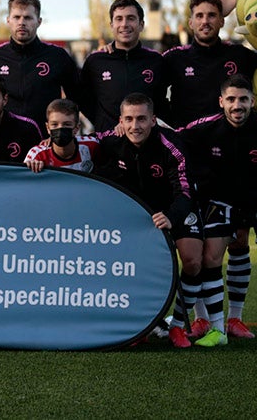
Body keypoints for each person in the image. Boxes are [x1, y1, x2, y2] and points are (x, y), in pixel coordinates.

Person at [159, 0, 257, 339]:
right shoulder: (173, 59)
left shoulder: (241, 57)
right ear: (190, 22)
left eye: (212, 15)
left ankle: (234, 317)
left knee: (237, 239)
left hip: (233, 160)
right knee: (202, 244)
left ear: (222, 21)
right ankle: (204, 317)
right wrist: (177, 129)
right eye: (199, 16)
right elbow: (155, 98)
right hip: (191, 161)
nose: (205, 21)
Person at [178, 74, 257, 348]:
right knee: (211, 256)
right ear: (221, 101)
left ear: (252, 101)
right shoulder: (203, 128)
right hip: (221, 201)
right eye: (230, 99)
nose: (236, 105)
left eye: (242, 99)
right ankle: (218, 329)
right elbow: (170, 139)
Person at [94, 92, 201, 349]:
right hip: (140, 215)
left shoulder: (171, 145)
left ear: (154, 120)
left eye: (141, 119)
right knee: (133, 265)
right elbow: (79, 146)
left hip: (175, 209)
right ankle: (140, 326)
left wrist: (172, 217)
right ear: (120, 120)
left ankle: (177, 326)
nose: (135, 126)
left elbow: (186, 191)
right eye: (129, 119)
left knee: (192, 260)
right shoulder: (110, 141)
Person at [0, 0, 81, 126]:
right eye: (16, 17)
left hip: (44, 141)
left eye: (28, 18)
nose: (21, 22)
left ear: (39, 21)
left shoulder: (58, 56)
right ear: (8, 20)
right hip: (2, 140)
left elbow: (78, 98)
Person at [79, 0, 167, 133]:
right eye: (119, 19)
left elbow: (161, 102)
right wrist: (101, 122)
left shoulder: (156, 61)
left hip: (148, 144)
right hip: (107, 144)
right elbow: (83, 100)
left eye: (131, 18)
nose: (124, 24)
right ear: (111, 25)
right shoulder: (95, 61)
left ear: (141, 25)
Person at [24, 98, 100, 173]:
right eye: (54, 124)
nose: (60, 129)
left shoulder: (91, 145)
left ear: (77, 128)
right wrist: (32, 167)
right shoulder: (37, 155)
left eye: (67, 124)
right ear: (47, 128)